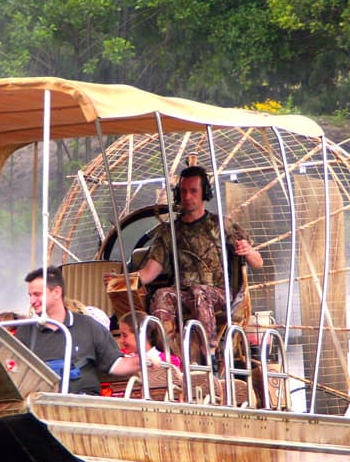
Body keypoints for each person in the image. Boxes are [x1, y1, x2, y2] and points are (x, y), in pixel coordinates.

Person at [135, 165, 263, 354]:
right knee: (162, 295)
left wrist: (248, 251)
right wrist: (121, 279)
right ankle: (169, 356)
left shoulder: (221, 225)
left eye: (193, 191)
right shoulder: (170, 232)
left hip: (219, 294)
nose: (187, 196)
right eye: (184, 191)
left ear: (204, 193)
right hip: (184, 294)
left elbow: (257, 263)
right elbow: (149, 272)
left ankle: (209, 354)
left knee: (199, 293)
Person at [23, 265, 150, 395]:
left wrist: (147, 359)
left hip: (83, 406)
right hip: (39, 404)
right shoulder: (25, 331)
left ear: (56, 292)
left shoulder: (88, 326)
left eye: (37, 294)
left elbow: (117, 364)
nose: (32, 301)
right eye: (30, 295)